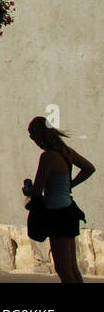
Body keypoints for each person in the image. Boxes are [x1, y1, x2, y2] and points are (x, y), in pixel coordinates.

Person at [24, 116, 94, 283]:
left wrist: (27, 188)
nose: (33, 140)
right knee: (72, 267)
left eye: (33, 136)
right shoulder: (66, 151)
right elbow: (89, 168)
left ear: (40, 136)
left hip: (57, 215)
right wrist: (70, 184)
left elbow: (36, 191)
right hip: (69, 211)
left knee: (63, 269)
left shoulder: (47, 157)